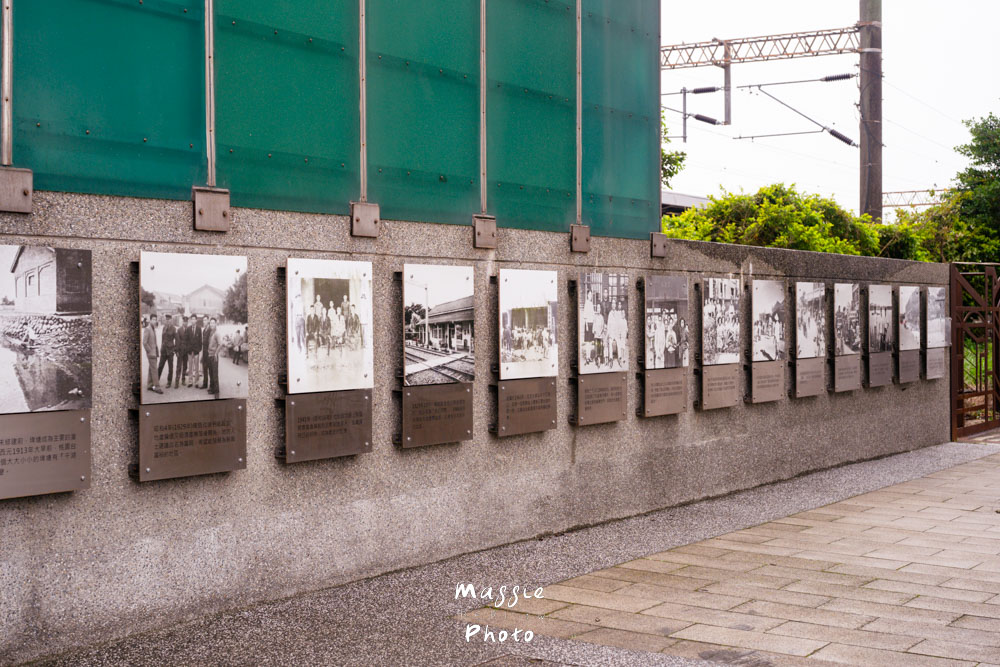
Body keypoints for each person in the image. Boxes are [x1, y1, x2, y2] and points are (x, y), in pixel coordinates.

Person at [143, 314, 163, 394]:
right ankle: (157, 387)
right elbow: (144, 342)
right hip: (151, 353)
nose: (154, 321)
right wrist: (149, 351)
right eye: (153, 319)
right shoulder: (147, 329)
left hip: (154, 352)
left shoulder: (153, 328)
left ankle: (149, 385)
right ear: (150, 320)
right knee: (155, 370)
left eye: (155, 319)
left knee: (151, 369)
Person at [157, 313, 177, 389]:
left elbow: (177, 340)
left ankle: (169, 382)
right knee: (160, 366)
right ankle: (156, 381)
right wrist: (161, 346)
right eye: (166, 320)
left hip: (170, 351)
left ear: (171, 320)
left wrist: (174, 349)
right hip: (164, 351)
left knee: (170, 367)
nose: (167, 321)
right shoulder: (164, 328)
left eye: (169, 320)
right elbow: (163, 338)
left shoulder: (174, 329)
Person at [206, 317, 221, 397]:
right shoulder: (211, 332)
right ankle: (212, 388)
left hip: (214, 357)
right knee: (211, 373)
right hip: (209, 355)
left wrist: (216, 353)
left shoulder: (217, 333)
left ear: (215, 324)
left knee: (215, 374)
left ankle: (217, 392)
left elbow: (220, 344)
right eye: (210, 323)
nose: (211, 324)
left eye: (213, 323)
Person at [189, 315, 203, 387]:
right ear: (191, 320)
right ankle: (190, 381)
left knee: (196, 367)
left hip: (196, 351)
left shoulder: (199, 329)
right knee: (190, 366)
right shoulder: (188, 329)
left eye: (194, 319)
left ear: (196, 320)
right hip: (190, 351)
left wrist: (199, 349)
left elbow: (200, 340)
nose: (193, 320)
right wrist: (188, 349)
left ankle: (196, 382)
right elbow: (186, 340)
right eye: (192, 319)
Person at [177, 315, 191, 386]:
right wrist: (177, 351)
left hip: (186, 351)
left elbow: (189, 340)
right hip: (180, 351)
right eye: (184, 321)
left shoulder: (189, 330)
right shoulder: (179, 330)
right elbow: (177, 341)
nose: (185, 323)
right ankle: (177, 381)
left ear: (187, 322)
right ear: (182, 322)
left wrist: (188, 349)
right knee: (179, 366)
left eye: (186, 322)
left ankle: (183, 380)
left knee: (185, 366)